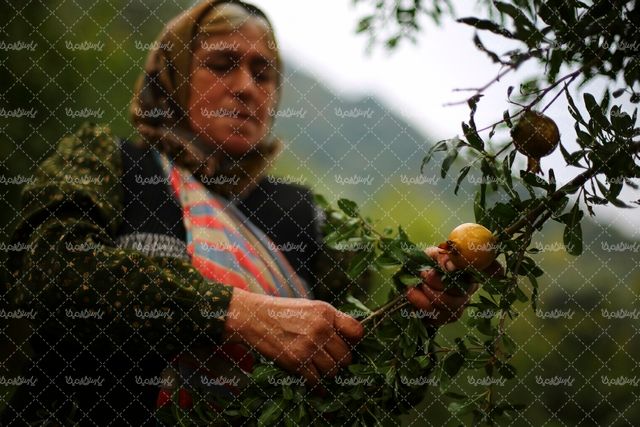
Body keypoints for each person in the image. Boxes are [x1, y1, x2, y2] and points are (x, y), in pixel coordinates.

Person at [1, 0, 498, 425]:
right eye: (221, 64)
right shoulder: (110, 163)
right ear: (174, 75)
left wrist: (416, 317)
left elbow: (365, 392)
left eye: (263, 74)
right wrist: (236, 312)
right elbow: (49, 272)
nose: (246, 87)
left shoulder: (308, 218)